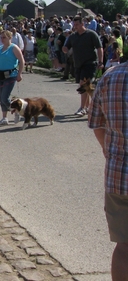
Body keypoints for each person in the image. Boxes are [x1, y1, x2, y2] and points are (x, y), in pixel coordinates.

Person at [88, 61, 128, 281]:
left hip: (119, 176)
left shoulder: (110, 77)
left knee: (124, 246)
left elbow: (96, 122)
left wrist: (108, 149)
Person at [63, 16, 103, 116]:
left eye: (77, 24)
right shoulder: (72, 36)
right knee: (87, 88)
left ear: (82, 24)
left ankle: (82, 108)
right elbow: (66, 47)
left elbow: (99, 47)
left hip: (90, 63)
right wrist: (64, 49)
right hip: (78, 64)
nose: (75, 27)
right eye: (74, 25)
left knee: (83, 85)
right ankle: (91, 108)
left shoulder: (91, 34)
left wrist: (101, 61)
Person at [0, 30, 25, 125]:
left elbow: (22, 61)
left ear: (9, 38)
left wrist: (20, 73)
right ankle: (4, 118)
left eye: (4, 37)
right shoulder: (0, 48)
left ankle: (17, 111)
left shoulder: (14, 48)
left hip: (10, 76)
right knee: (1, 98)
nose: (2, 39)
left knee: (4, 98)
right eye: (1, 37)